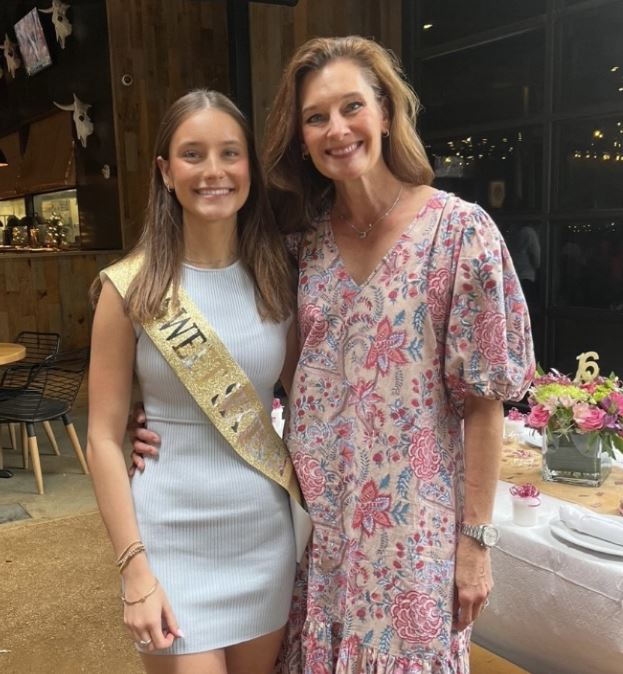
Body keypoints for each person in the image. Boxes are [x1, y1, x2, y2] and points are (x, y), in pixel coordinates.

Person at [131, 37, 536, 673]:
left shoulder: (461, 235)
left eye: (352, 107)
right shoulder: (297, 248)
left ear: (386, 112)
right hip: (315, 539)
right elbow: (240, 342)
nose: (336, 129)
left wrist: (477, 542)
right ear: (300, 138)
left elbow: (485, 406)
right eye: (316, 117)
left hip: (414, 543)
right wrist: (144, 412)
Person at [86, 89, 301, 674]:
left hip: (261, 537)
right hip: (169, 538)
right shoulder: (128, 289)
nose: (213, 171)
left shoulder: (279, 280)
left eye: (230, 153)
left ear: (250, 168)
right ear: (165, 171)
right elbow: (102, 438)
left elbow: (312, 395)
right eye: (192, 154)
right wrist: (134, 571)